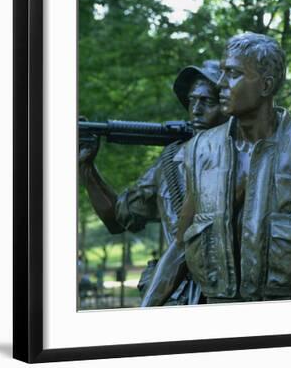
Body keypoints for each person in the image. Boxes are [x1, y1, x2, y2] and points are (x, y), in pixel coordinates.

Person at [141, 33, 291, 305]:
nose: (221, 84)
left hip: (285, 316)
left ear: (266, 85)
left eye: (234, 73)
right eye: (223, 72)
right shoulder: (201, 150)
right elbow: (180, 246)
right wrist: (145, 310)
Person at [79, 60, 227, 305]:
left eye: (208, 102)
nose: (196, 110)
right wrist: (86, 168)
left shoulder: (254, 159)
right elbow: (118, 219)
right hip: (177, 297)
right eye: (192, 101)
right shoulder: (171, 160)